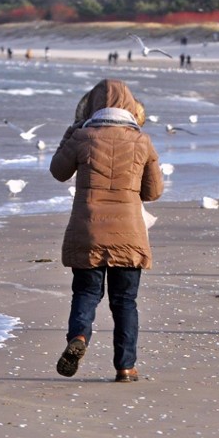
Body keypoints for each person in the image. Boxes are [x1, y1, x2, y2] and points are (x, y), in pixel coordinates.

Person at [50, 79, 164, 382]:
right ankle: (125, 367)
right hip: (129, 234)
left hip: (88, 231)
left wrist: (71, 132)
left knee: (86, 293)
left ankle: (80, 338)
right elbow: (153, 191)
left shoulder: (83, 136)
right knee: (125, 301)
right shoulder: (142, 141)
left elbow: (58, 172)